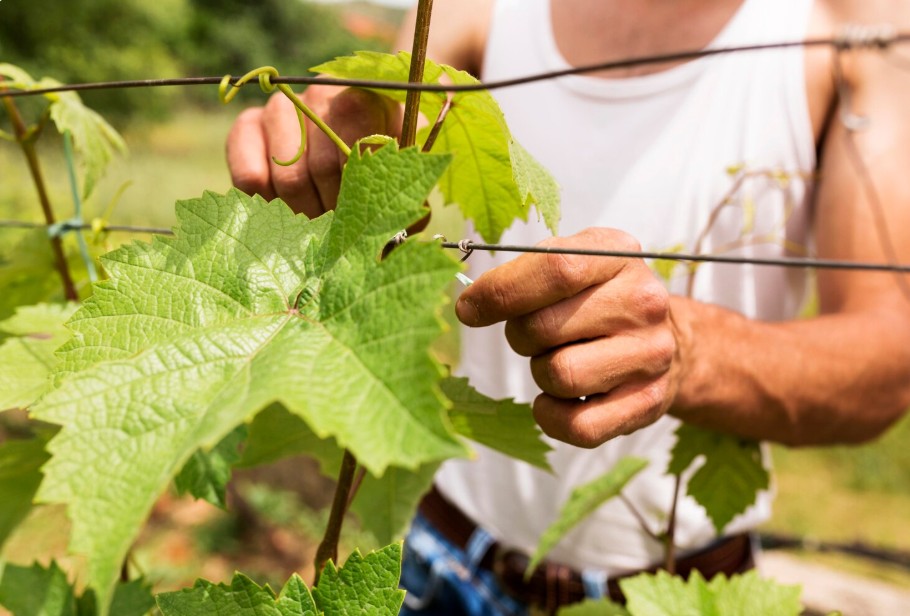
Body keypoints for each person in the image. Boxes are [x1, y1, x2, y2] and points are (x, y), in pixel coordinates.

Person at [227, 0, 910, 613]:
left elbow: (891, 360)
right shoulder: (473, 8)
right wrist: (325, 134)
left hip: (684, 591)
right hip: (448, 559)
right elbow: (382, 133)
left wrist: (691, 351)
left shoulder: (855, 28)